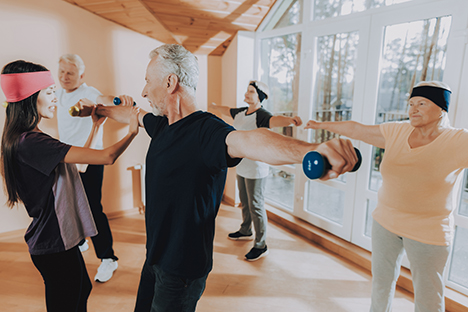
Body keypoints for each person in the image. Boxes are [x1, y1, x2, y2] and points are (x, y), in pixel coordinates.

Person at [81, 43, 358, 312]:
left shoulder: (208, 132)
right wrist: (98, 111)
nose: (143, 91)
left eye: (147, 81)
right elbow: (132, 114)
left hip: (181, 270)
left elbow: (252, 141)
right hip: (154, 258)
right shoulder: (162, 125)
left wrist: (311, 150)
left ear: (169, 82)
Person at [305, 81, 465, 312]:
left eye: (422, 103)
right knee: (381, 285)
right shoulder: (398, 131)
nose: (413, 109)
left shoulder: (458, 141)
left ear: (442, 108)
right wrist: (321, 124)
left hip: (428, 232)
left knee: (428, 299)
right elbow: (358, 129)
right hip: (385, 223)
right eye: (411, 103)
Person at [0, 60, 139, 311]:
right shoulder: (31, 143)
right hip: (52, 242)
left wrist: (96, 126)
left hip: (57, 240)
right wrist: (132, 130)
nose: (55, 98)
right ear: (31, 97)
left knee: (81, 290)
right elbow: (107, 157)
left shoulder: (27, 138)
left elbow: (81, 166)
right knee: (66, 303)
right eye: (49, 92)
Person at [56, 54, 133, 282]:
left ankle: (109, 258)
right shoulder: (58, 93)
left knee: (91, 209)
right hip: (67, 157)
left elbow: (105, 98)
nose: (64, 77)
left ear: (81, 75)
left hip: (90, 159)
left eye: (70, 72)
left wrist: (119, 100)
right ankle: (80, 241)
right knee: (68, 203)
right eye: (61, 71)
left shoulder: (87, 92)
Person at [209, 81, 302, 261]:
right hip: (242, 166)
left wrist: (290, 120)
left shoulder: (261, 115)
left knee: (256, 205)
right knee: (244, 201)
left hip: (256, 169)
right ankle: (245, 229)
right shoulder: (241, 112)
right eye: (247, 90)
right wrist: (214, 107)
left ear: (260, 96)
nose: (247, 93)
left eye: (251, 91)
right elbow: (226, 110)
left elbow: (274, 120)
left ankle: (261, 244)